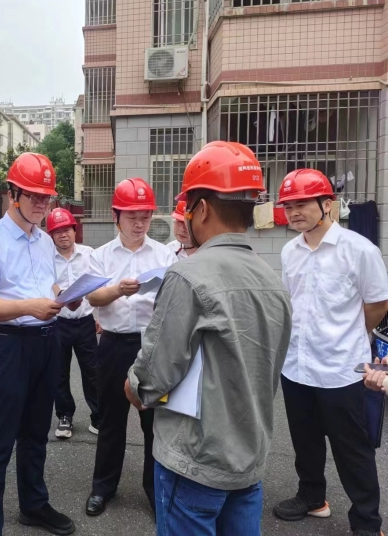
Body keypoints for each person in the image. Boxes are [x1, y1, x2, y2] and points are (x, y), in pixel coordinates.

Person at [125, 141, 293, 536]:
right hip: (247, 461)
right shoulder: (273, 281)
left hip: (194, 461)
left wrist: (133, 387)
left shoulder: (189, 275)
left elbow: (153, 377)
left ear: (201, 209)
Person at [273, 168, 388, 536]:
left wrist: (350, 334)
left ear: (327, 204)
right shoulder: (290, 251)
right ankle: (312, 497)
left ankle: (367, 522)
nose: (293, 212)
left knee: (352, 448)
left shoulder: (359, 250)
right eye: (288, 206)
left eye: (301, 204)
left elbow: (377, 303)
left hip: (341, 368)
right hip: (297, 365)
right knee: (304, 440)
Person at [0, 153, 74, 536]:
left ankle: (33, 504)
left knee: (36, 432)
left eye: (47, 197)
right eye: (34, 196)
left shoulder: (44, 240)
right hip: (8, 345)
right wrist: (30, 306)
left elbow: (47, 284)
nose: (42, 204)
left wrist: (64, 295)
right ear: (13, 193)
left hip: (47, 341)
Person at [83, 178, 177, 517]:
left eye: (145, 216)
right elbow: (93, 297)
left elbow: (174, 299)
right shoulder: (100, 256)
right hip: (112, 345)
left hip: (151, 347)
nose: (139, 224)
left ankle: (155, 490)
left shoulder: (164, 254)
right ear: (116, 216)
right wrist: (118, 291)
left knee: (154, 422)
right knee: (111, 420)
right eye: (132, 217)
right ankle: (102, 488)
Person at [46, 207, 100, 439]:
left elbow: (98, 284)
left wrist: (99, 316)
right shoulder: (46, 258)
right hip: (59, 323)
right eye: (57, 231)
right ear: (51, 235)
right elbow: (45, 283)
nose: (63, 235)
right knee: (59, 372)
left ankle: (98, 416)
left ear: (74, 230)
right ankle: (64, 416)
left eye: (67, 229)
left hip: (85, 322)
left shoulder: (89, 254)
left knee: (93, 371)